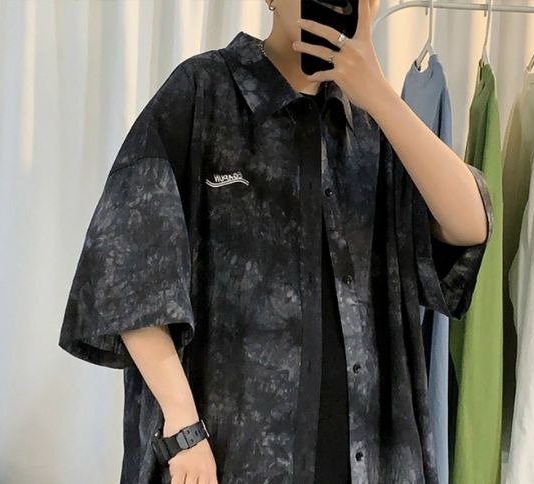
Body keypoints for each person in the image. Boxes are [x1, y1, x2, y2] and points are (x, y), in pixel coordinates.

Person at [58, 0, 494, 483]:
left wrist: (379, 94)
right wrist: (183, 426)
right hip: (225, 458)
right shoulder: (204, 92)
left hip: (368, 459)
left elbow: (470, 227)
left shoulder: (374, 126)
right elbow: (126, 268)